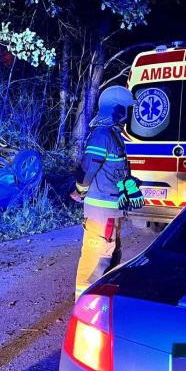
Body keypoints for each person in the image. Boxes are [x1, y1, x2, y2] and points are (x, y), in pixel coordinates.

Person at [70, 86, 144, 300]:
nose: (129, 114)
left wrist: (129, 186)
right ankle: (84, 305)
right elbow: (87, 168)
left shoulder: (113, 134)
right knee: (96, 262)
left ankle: (101, 302)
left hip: (111, 210)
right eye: (127, 109)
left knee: (110, 257)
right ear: (117, 110)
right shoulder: (102, 135)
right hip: (102, 211)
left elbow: (115, 172)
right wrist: (80, 191)